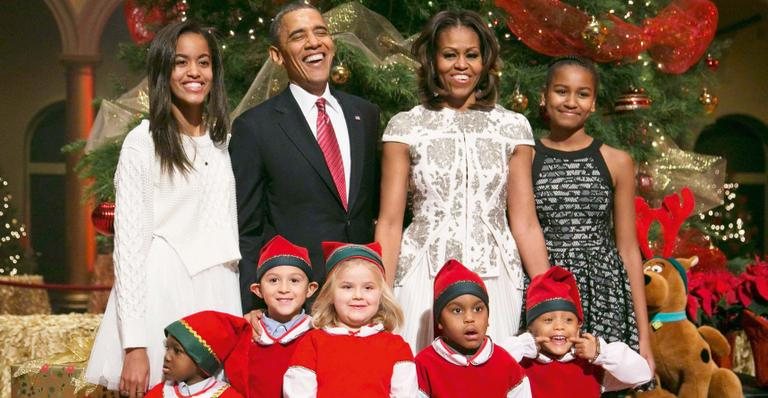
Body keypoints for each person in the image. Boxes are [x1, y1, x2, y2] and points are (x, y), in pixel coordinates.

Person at [375, 9, 549, 351]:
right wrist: (380, 291)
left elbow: (526, 221)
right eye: (449, 54)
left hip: (496, 273)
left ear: (485, 61)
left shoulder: (513, 127)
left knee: (495, 376)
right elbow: (391, 221)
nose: (461, 65)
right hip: (422, 274)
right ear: (432, 60)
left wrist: (549, 293)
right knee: (416, 376)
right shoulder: (406, 125)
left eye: (471, 55)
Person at [85, 20, 243, 397]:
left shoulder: (223, 141)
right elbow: (129, 249)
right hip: (165, 290)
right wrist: (136, 346)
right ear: (163, 71)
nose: (194, 72)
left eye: (203, 62)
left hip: (219, 290)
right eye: (181, 62)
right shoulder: (143, 143)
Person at [230, 2, 381, 312]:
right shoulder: (255, 127)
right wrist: (252, 303)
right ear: (277, 54)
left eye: (321, 32)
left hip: (361, 297)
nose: (314, 42)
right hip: (296, 303)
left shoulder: (364, 114)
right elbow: (247, 228)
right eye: (298, 36)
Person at [531, 55, 654, 369]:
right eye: (561, 91)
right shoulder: (526, 156)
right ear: (544, 97)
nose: (571, 101)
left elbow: (628, 248)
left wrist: (644, 337)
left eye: (582, 94)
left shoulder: (617, 161)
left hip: (605, 291)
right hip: (546, 286)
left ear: (594, 102)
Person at [283, 242, 417, 397]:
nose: (358, 295)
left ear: (381, 295)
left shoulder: (397, 347)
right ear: (330, 295)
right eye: (347, 287)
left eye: (368, 288)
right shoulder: (313, 343)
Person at [499, 266, 653, 397]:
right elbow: (488, 368)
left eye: (568, 320)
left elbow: (642, 374)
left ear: (578, 326)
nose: (559, 326)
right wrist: (523, 344)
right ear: (531, 327)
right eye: (548, 320)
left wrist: (601, 353)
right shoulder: (520, 366)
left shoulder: (591, 367)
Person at [415, 259, 531, 398]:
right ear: (439, 320)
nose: (470, 318)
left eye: (478, 309)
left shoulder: (506, 364)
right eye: (457, 310)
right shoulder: (424, 365)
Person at [247, 235, 318, 397]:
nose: (284, 289)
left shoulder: (317, 333)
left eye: (294, 280)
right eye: (273, 280)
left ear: (310, 289)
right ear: (258, 290)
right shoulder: (248, 335)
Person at [145, 311, 250, 397]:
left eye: (177, 351)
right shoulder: (158, 393)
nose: (167, 357)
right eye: (167, 347)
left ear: (202, 361)